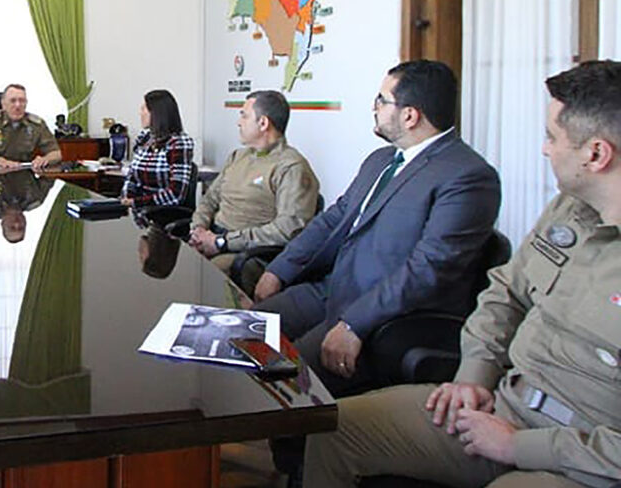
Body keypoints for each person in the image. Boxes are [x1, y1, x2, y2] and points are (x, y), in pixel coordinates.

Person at [304, 60, 621, 488]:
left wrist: (519, 447)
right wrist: (473, 375)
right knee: (334, 429)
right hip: (500, 404)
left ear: (596, 154)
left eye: (552, 137)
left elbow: (428, 267)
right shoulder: (570, 209)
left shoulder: (466, 175)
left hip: (577, 457)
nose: (544, 149)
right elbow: (505, 294)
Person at [252, 60, 501, 396]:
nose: (374, 108)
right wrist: (278, 270)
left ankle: (282, 446)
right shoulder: (380, 161)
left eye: (381, 101)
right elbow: (332, 220)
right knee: (245, 333)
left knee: (285, 381)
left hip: (377, 314)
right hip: (328, 289)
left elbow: (429, 268)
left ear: (410, 115)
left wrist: (356, 322)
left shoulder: (466, 176)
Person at [188, 90, 319, 278]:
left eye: (244, 115)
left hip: (245, 252)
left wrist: (222, 242)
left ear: (263, 123)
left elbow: (287, 229)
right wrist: (198, 229)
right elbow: (209, 200)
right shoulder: (238, 157)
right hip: (212, 238)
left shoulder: (291, 167)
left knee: (205, 274)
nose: (239, 122)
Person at [120, 89, 196, 210]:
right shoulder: (145, 138)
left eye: (144, 108)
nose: (140, 113)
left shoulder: (178, 143)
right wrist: (126, 198)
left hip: (162, 212)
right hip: (138, 211)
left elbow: (176, 194)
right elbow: (131, 178)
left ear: (157, 112)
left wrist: (135, 202)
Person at [0, 84, 61, 169]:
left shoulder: (36, 124)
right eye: (13, 101)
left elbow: (56, 153)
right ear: (3, 104)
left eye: (22, 101)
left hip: (23, 174)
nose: (18, 105)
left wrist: (45, 159)